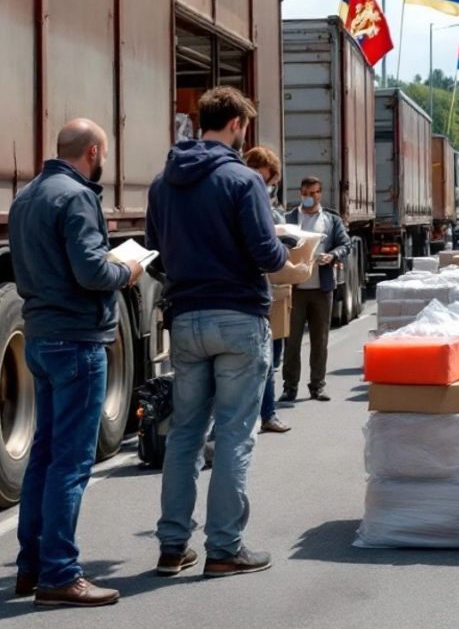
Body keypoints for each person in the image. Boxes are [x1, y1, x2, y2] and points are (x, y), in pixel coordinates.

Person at [146, 86, 293, 578]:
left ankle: (172, 546)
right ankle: (225, 548)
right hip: (238, 316)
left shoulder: (162, 183)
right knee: (234, 434)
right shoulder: (242, 180)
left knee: (185, 433)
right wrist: (286, 251)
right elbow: (267, 255)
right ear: (236, 126)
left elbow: (154, 256)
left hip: (185, 317)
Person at [8, 118, 143, 608]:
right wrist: (126, 269)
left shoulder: (27, 196)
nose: (103, 160)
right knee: (71, 463)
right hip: (78, 340)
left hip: (42, 336)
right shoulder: (78, 196)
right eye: (102, 152)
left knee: (44, 457)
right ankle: (61, 574)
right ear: (91, 151)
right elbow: (90, 271)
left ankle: (32, 567)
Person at [279, 176, 351, 403]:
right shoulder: (289, 218)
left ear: (320, 194)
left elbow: (345, 244)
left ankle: (317, 386)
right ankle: (289, 388)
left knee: (320, 341)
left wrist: (333, 255)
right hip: (295, 289)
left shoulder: (330, 220)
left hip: (322, 289)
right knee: (292, 342)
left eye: (313, 193)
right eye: (305, 193)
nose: (309, 198)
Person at [243, 146, 290, 434]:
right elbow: (268, 253)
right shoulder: (251, 199)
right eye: (271, 182)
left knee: (270, 357)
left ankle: (267, 413)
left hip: (266, 291)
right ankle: (264, 414)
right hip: (253, 294)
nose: (271, 189)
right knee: (265, 359)